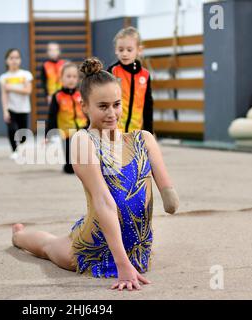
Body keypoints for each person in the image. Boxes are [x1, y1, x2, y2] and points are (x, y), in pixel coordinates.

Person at [11, 58, 179, 291]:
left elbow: (165, 189)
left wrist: (169, 196)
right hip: (93, 245)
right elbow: (103, 200)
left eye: (117, 104)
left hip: (137, 249)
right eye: (103, 106)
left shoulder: (143, 139)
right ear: (85, 106)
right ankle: (18, 236)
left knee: (53, 244)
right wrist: (122, 263)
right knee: (49, 246)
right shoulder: (83, 141)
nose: (112, 113)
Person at [107, 27, 154, 134]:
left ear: (139, 50)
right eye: (121, 49)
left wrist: (149, 131)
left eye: (129, 50)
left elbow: (148, 104)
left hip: (136, 131)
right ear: (116, 50)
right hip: (115, 130)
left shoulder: (145, 75)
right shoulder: (113, 71)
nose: (124, 54)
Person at [47, 62, 88, 174]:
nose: (71, 79)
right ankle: (69, 165)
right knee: (70, 167)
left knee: (84, 156)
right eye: (68, 76)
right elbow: (52, 116)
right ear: (61, 78)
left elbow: (87, 111)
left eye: (74, 77)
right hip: (66, 133)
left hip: (82, 129)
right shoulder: (57, 96)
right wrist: (49, 133)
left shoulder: (81, 94)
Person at [0, 49, 33, 160]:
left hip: (23, 108)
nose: (14, 60)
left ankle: (21, 146)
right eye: (11, 58)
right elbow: (4, 95)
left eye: (17, 57)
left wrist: (11, 88)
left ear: (20, 60)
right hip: (11, 108)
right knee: (11, 129)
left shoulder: (25, 75)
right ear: (6, 61)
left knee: (23, 135)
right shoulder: (3, 78)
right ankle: (14, 150)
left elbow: (28, 90)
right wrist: (5, 111)